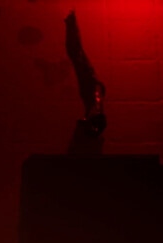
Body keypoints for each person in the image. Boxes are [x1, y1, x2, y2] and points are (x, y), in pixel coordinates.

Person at [65, 12, 107, 154]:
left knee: (76, 53)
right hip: (92, 86)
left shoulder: (93, 99)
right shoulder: (94, 96)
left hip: (92, 88)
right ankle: (71, 22)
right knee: (77, 53)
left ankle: (71, 23)